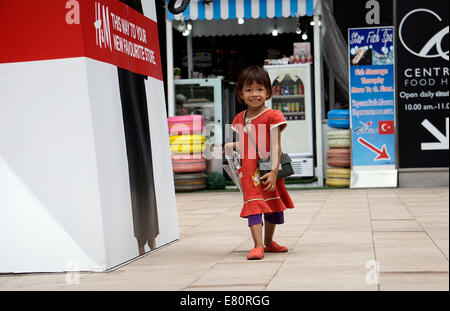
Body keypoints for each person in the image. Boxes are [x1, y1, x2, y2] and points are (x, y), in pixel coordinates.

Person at [225, 65, 295, 260]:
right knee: (254, 205)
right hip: (248, 171)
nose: (254, 94)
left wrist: (274, 172)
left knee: (272, 205)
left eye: (259, 89)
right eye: (248, 90)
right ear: (240, 93)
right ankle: (257, 245)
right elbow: (248, 143)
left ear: (268, 92)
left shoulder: (273, 116)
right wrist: (233, 145)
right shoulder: (239, 118)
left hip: (267, 168)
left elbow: (274, 145)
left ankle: (269, 242)